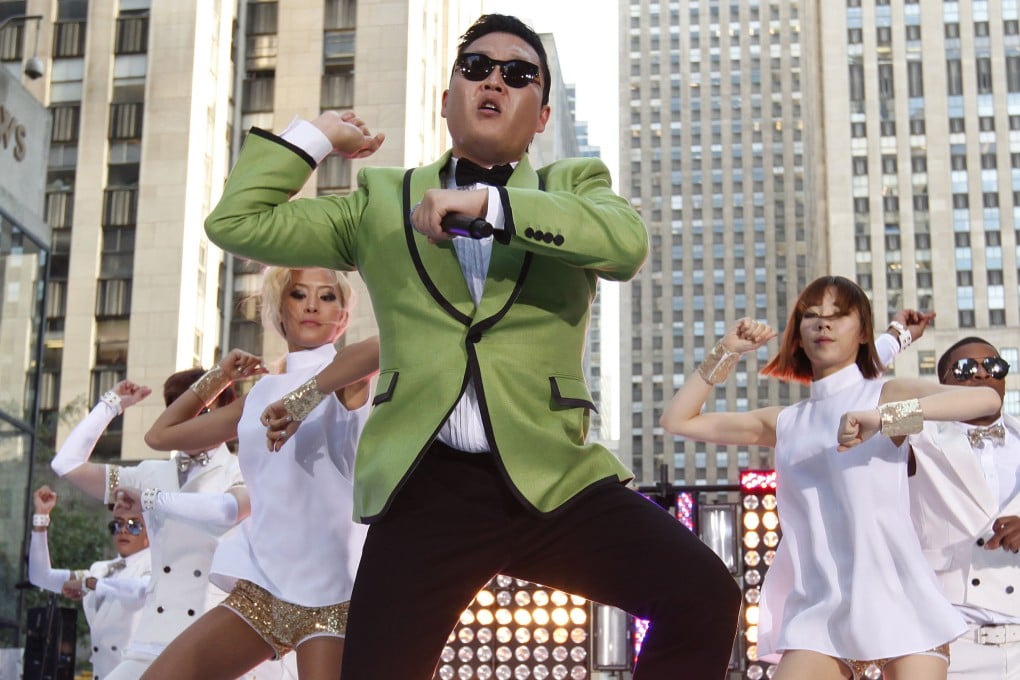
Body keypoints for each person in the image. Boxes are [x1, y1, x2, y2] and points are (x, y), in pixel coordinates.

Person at [205, 13, 741, 678]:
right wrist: (315, 136)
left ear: (542, 116)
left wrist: (493, 208)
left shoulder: (569, 189)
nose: (495, 80)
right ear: (446, 98)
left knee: (705, 593)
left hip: (551, 474)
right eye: (477, 67)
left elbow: (625, 246)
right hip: (425, 485)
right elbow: (237, 221)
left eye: (519, 75)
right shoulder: (380, 200)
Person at [660, 275, 1002, 680]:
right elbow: (677, 419)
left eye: (839, 316)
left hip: (903, 600)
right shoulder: (784, 422)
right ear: (798, 337)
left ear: (862, 333)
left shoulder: (884, 395)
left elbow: (986, 402)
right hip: (818, 612)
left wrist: (883, 420)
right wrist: (727, 350)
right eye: (812, 316)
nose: (824, 324)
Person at [136, 267, 378, 680]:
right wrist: (221, 376)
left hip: (334, 591)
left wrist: (302, 400)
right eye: (299, 294)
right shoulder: (261, 395)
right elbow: (161, 435)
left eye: (329, 297)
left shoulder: (347, 375)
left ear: (343, 315)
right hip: (262, 586)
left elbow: (381, 346)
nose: (314, 305)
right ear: (279, 310)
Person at [49, 372, 258, 679]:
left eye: (204, 413)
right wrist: (112, 405)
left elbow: (229, 510)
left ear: (226, 414)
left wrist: (150, 499)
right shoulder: (151, 472)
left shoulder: (243, 467)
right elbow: (66, 464)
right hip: (152, 635)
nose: (192, 422)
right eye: (181, 411)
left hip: (211, 630)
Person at [906, 337, 1020, 679]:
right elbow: (868, 414)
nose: (982, 375)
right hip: (949, 645)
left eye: (994, 366)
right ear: (943, 385)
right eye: (966, 369)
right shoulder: (916, 436)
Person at [28, 485, 151, 680]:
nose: (124, 531)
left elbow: (142, 590)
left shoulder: (158, 566)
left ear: (150, 531)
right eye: (117, 525)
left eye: (134, 525)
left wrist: (91, 584)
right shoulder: (100, 569)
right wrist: (41, 519)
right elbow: (40, 576)